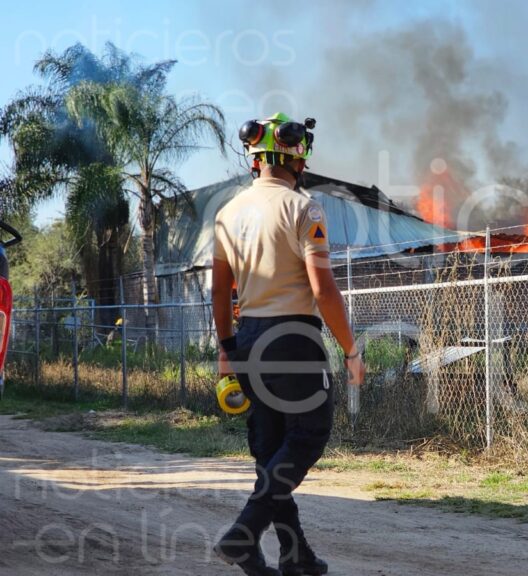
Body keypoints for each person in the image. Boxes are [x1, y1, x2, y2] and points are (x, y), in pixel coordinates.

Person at [212, 112, 365, 576]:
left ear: (254, 157)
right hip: (294, 339)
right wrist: (351, 350)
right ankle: (243, 535)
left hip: (249, 338)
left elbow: (221, 292)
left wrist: (226, 349)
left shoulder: (227, 212)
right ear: (298, 157)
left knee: (270, 447)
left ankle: (294, 554)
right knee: (307, 437)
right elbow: (323, 288)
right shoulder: (306, 209)